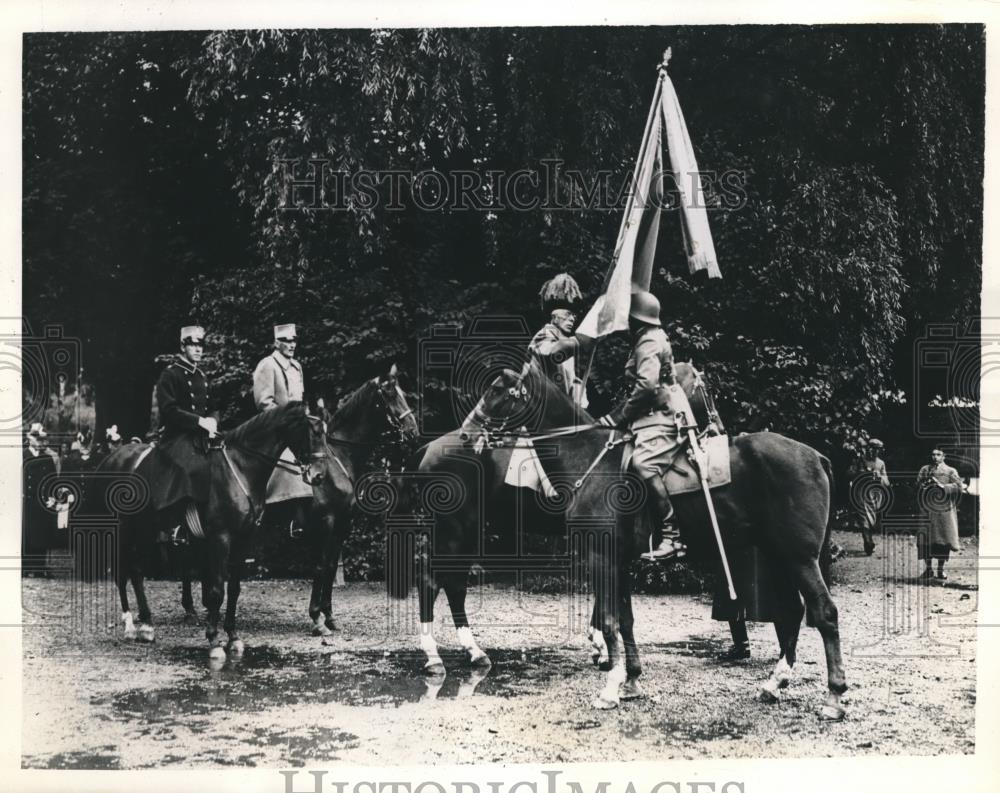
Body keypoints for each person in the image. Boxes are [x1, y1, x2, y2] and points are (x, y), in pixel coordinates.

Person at [597, 290, 687, 561]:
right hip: (647, 416)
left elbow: (646, 386)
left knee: (643, 463)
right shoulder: (648, 338)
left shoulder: (648, 341)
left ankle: (672, 535)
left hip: (661, 416)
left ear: (637, 319)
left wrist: (617, 417)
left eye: (629, 318)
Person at [151, 324, 218, 540]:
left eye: (201, 345)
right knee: (190, 469)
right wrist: (199, 421)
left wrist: (214, 422)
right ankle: (178, 524)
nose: (198, 349)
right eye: (193, 344)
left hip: (201, 437)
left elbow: (213, 407)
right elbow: (169, 410)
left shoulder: (202, 376)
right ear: (183, 346)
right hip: (176, 437)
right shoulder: (170, 374)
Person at [252, 322, 312, 537]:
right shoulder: (268, 365)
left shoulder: (297, 366)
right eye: (286, 340)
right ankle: (289, 518)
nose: (291, 344)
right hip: (274, 427)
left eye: (294, 340)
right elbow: (263, 402)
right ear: (276, 342)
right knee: (288, 465)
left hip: (296, 426)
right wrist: (285, 419)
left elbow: (300, 400)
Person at [529, 273, 592, 408]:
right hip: (538, 412)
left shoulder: (566, 344)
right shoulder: (543, 336)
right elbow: (553, 354)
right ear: (554, 315)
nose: (572, 319)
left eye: (574, 315)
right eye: (568, 314)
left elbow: (568, 383)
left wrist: (578, 389)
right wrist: (582, 340)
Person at [916, 447, 966, 580]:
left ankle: (940, 569)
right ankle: (928, 569)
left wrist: (944, 487)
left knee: (943, 539)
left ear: (944, 456)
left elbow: (959, 486)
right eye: (933, 454)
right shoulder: (925, 469)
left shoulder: (950, 471)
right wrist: (923, 485)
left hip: (943, 509)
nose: (935, 457)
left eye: (938, 454)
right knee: (926, 539)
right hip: (928, 508)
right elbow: (918, 483)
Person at [22, 423, 58, 574]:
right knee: (27, 533)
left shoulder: (48, 458)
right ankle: (25, 566)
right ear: (29, 438)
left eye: (41, 438)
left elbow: (52, 481)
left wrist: (53, 498)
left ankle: (39, 566)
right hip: (27, 500)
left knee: (42, 533)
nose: (39, 441)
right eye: (36, 437)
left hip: (42, 501)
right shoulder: (22, 456)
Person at [847, 437, 890, 556]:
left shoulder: (881, 463)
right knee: (863, 518)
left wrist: (879, 477)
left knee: (872, 520)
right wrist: (862, 473)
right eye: (873, 449)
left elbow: (887, 482)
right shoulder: (860, 460)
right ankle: (868, 542)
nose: (875, 452)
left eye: (878, 450)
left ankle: (868, 539)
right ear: (868, 449)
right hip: (861, 493)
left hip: (875, 495)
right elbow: (849, 473)